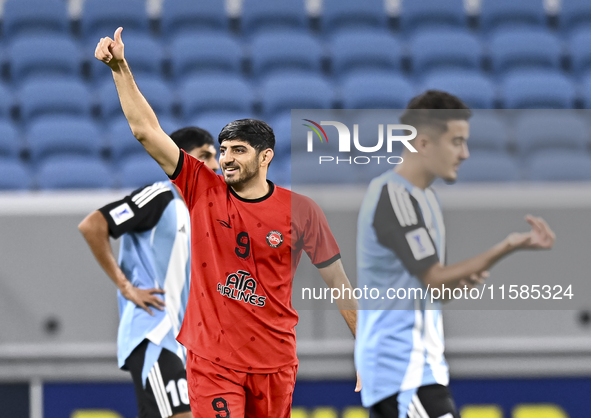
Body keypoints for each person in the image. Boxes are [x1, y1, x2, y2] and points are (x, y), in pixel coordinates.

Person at [94, 27, 358, 418]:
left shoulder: (301, 211)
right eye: (223, 150)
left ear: (265, 157)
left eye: (239, 150)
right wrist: (120, 69)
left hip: (275, 363)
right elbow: (145, 131)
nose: (227, 158)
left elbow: (338, 282)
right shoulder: (202, 189)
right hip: (212, 360)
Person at [355, 91, 555, 418]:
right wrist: (507, 246)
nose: (465, 154)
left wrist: (462, 280)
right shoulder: (394, 197)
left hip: (422, 368)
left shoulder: (426, 199)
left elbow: (436, 288)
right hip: (400, 368)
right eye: (456, 142)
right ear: (422, 143)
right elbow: (434, 276)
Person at [78, 126, 220, 418]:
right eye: (205, 155)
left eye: (215, 157)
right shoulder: (160, 196)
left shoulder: (203, 213)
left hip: (183, 341)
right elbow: (93, 225)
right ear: (181, 159)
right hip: (154, 333)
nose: (215, 165)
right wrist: (126, 287)